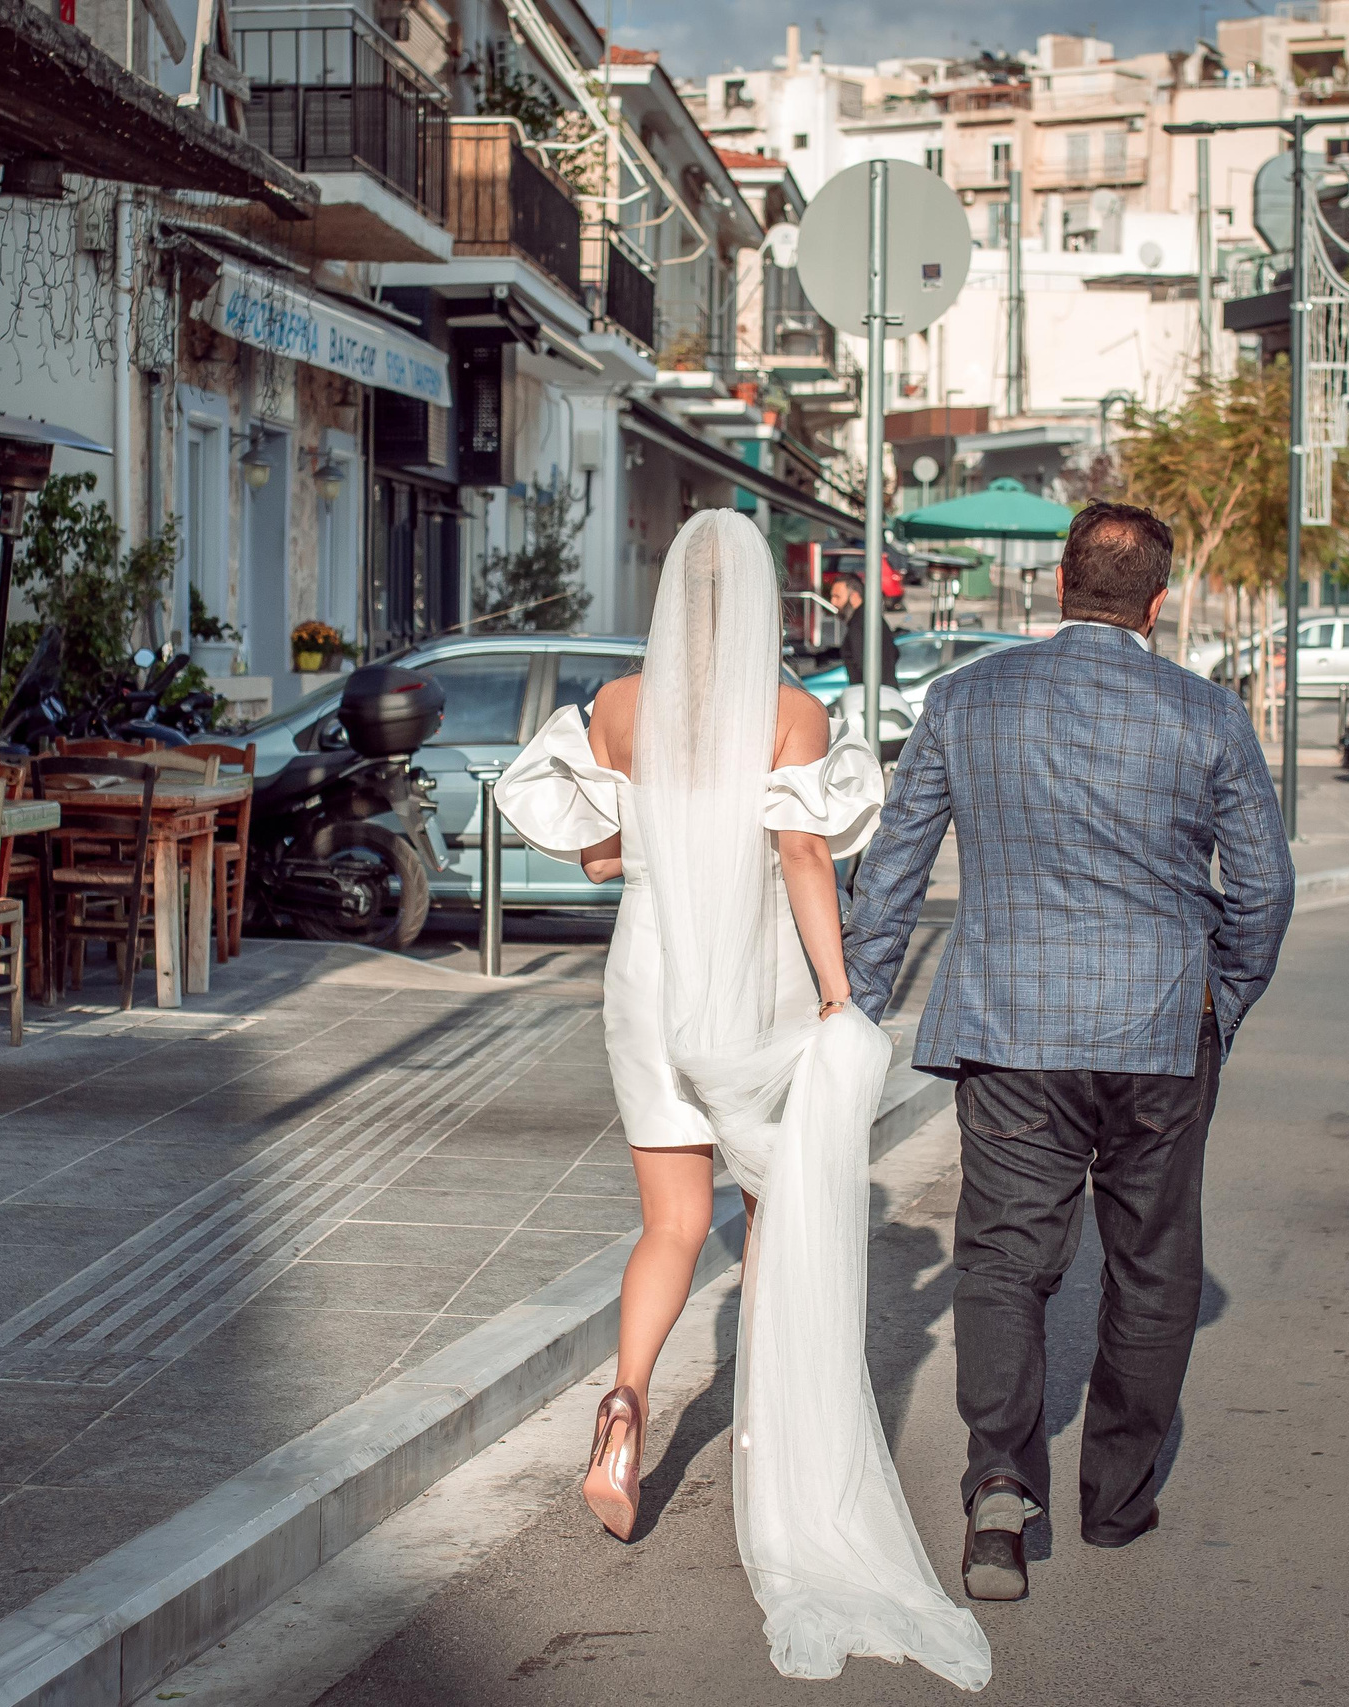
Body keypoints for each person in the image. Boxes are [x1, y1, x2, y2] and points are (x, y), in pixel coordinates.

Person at [494, 510, 989, 1689]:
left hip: (649, 978)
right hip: (756, 980)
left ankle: (623, 1411)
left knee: (668, 1224)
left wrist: (654, 841)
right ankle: (777, 1445)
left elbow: (596, 849)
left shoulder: (617, 708)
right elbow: (805, 859)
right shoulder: (790, 711)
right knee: (771, 1213)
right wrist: (838, 997)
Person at [843, 500, 1293, 1602]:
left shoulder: (964, 700)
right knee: (1151, 1266)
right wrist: (1216, 1002)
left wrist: (855, 1007)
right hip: (1158, 1034)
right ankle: (1118, 1501)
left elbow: (891, 872)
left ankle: (1000, 1488)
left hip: (1011, 1033)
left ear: (1058, 587)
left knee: (1003, 1262)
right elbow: (1267, 891)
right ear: (1158, 600)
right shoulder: (1209, 716)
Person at [827, 568, 903, 688]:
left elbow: (862, 663)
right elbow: (895, 652)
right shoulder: (872, 618)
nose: (833, 602)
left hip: (870, 696)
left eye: (837, 597)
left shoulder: (859, 624)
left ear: (854, 597)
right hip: (886, 693)